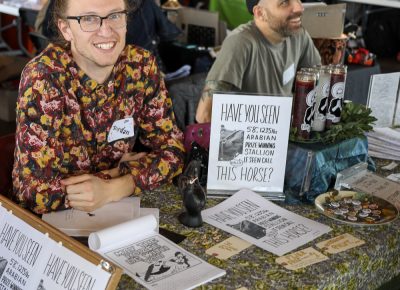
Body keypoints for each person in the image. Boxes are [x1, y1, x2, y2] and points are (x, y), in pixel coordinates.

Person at [12, 0, 185, 214]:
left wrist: (117, 187)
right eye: (89, 19)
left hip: (118, 209)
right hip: (56, 224)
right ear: (66, 29)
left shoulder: (141, 66)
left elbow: (173, 151)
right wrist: (118, 173)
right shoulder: (45, 78)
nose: (106, 31)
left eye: (114, 16)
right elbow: (32, 192)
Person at [195, 0, 321, 123]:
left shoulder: (298, 35)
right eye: (284, 2)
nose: (299, 8)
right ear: (260, 13)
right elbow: (204, 116)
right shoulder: (240, 43)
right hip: (250, 138)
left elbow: (319, 82)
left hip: (285, 129)